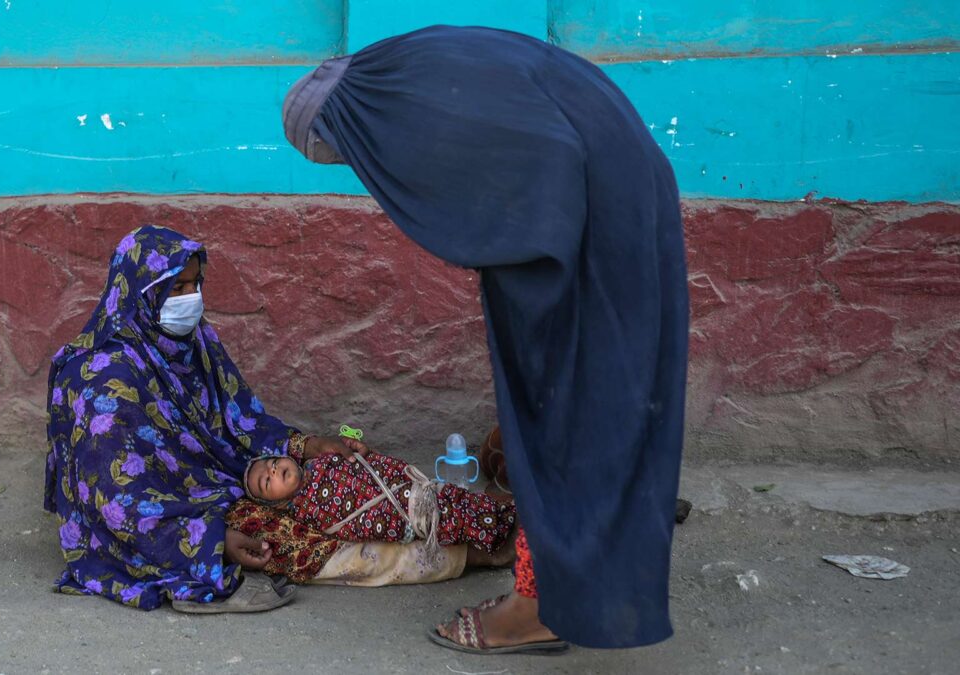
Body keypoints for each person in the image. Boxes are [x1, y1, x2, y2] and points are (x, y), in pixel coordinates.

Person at [283, 26, 689, 652]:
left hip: (584, 224)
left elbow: (544, 152)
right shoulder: (412, 71)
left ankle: (538, 609)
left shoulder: (417, 101)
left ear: (355, 125)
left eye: (348, 156)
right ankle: (593, 551)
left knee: (562, 412)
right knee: (583, 403)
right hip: (611, 190)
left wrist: (527, 256)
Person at [43, 225, 471, 612]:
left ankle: (472, 519)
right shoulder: (100, 381)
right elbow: (117, 504)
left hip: (229, 481)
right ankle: (457, 556)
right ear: (141, 292)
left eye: (194, 284)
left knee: (342, 476)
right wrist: (211, 545)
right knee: (286, 541)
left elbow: (240, 419)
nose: (190, 299)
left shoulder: (192, 341)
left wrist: (304, 446)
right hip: (173, 513)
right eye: (176, 288)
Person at [244, 451, 517, 566]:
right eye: (267, 481)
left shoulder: (320, 461)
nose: (273, 469)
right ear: (277, 503)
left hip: (401, 485)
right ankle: (500, 540)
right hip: (395, 513)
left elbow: (364, 463)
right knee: (446, 519)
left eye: (272, 463)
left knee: (454, 498)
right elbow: (349, 525)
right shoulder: (304, 511)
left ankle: (506, 517)